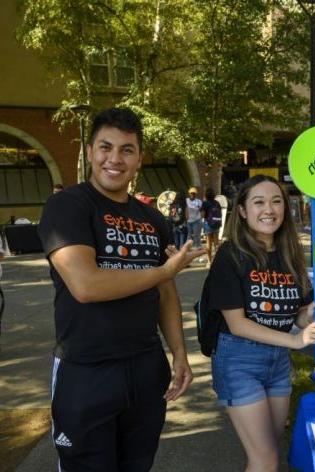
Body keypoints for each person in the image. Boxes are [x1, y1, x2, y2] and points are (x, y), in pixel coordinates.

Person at [38, 107, 205, 471]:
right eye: (105, 147)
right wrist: (162, 271)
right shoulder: (67, 205)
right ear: (90, 152)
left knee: (137, 465)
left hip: (146, 367)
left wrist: (179, 352)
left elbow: (165, 292)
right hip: (86, 369)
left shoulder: (152, 219)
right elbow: (86, 285)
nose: (115, 159)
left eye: (127, 149)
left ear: (139, 159)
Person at [205, 174, 315, 471]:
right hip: (239, 360)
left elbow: (294, 314)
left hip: (277, 363)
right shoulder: (231, 254)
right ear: (243, 211)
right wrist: (296, 341)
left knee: (270, 450)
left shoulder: (290, 255)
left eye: (276, 202)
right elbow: (237, 324)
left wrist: (307, 314)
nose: (269, 209)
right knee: (266, 459)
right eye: (258, 202)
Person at [202, 187, 222, 263]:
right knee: (216, 243)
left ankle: (210, 261)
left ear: (206, 195)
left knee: (208, 243)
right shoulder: (217, 203)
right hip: (216, 223)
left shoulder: (205, 203)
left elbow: (203, 214)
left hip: (208, 224)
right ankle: (217, 261)